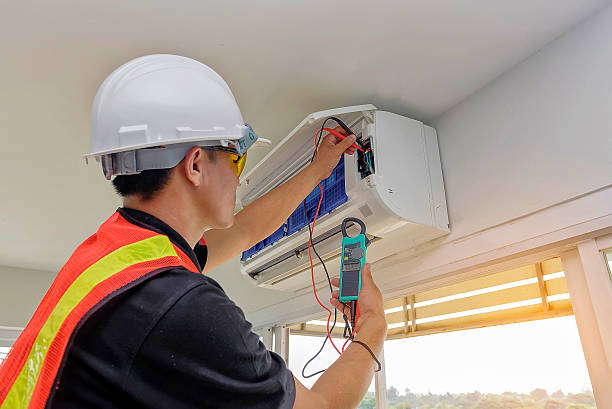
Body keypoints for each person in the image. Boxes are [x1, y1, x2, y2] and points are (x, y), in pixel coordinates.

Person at [0, 54, 387, 409]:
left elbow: (245, 231)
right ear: (196, 165)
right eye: (237, 159)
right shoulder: (180, 305)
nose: (238, 177)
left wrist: (320, 170)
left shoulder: (122, 251)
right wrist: (373, 327)